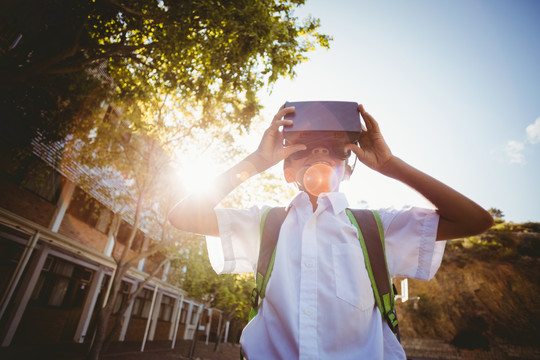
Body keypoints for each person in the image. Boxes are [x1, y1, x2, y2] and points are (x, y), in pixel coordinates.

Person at [168, 103, 493, 359]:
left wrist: (389, 164)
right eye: (306, 147)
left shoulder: (377, 228)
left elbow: (474, 221)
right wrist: (256, 160)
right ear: (288, 170)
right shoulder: (263, 225)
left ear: (348, 170)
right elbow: (183, 216)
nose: (321, 152)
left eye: (335, 148)